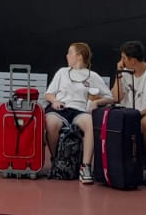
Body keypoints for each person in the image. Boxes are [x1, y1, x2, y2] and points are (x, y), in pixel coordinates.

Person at [43, 42, 111, 184]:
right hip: (61, 108)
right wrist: (54, 101)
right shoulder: (62, 72)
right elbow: (48, 94)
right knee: (51, 123)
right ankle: (57, 160)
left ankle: (85, 167)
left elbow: (109, 97)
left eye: (70, 53)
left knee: (90, 123)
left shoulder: (93, 76)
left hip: (80, 110)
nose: (67, 56)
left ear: (78, 56)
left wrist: (96, 102)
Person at [110, 40, 146, 167]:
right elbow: (116, 98)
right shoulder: (124, 72)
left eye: (124, 58)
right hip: (126, 112)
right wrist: (119, 74)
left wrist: (136, 115)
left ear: (133, 61)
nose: (121, 61)